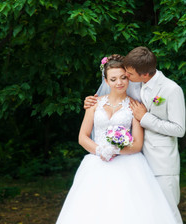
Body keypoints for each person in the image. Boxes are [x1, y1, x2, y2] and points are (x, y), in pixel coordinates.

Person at [56, 54, 177, 224]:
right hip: (97, 163)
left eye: (123, 78)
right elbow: (83, 137)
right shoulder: (94, 104)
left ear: (128, 78)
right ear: (106, 81)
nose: (119, 82)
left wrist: (116, 149)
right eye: (113, 79)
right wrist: (100, 150)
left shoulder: (135, 106)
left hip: (128, 164)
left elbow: (137, 144)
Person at [84, 47, 186, 224]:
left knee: (168, 213)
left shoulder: (171, 89)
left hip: (160, 163)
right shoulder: (136, 84)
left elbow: (179, 129)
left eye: (128, 74)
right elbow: (114, 91)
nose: (125, 78)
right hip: (135, 164)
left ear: (144, 74)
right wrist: (90, 101)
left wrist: (145, 118)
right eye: (125, 74)